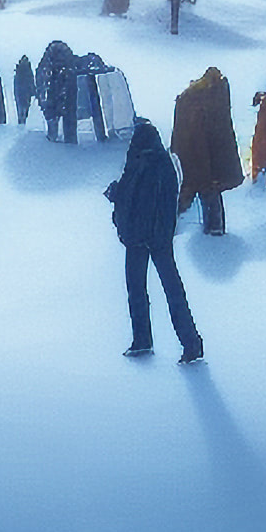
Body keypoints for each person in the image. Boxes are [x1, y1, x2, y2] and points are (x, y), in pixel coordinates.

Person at [106, 117, 204, 364]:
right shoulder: (161, 163)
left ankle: (146, 340)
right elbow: (162, 202)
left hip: (142, 238)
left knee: (141, 290)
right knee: (170, 291)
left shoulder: (141, 162)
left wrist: (117, 196)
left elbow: (136, 198)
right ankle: (188, 343)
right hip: (154, 238)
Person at [171, 67, 243, 235]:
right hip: (208, 156)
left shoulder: (194, 99)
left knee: (194, 190)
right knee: (208, 190)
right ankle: (214, 229)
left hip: (196, 154)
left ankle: (176, 224)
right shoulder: (213, 100)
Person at [12, 54, 36, 127]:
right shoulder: (28, 70)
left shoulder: (18, 71)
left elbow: (16, 83)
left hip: (20, 93)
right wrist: (33, 91)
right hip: (25, 93)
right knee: (25, 109)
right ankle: (22, 123)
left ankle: (21, 123)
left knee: (20, 109)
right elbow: (31, 81)